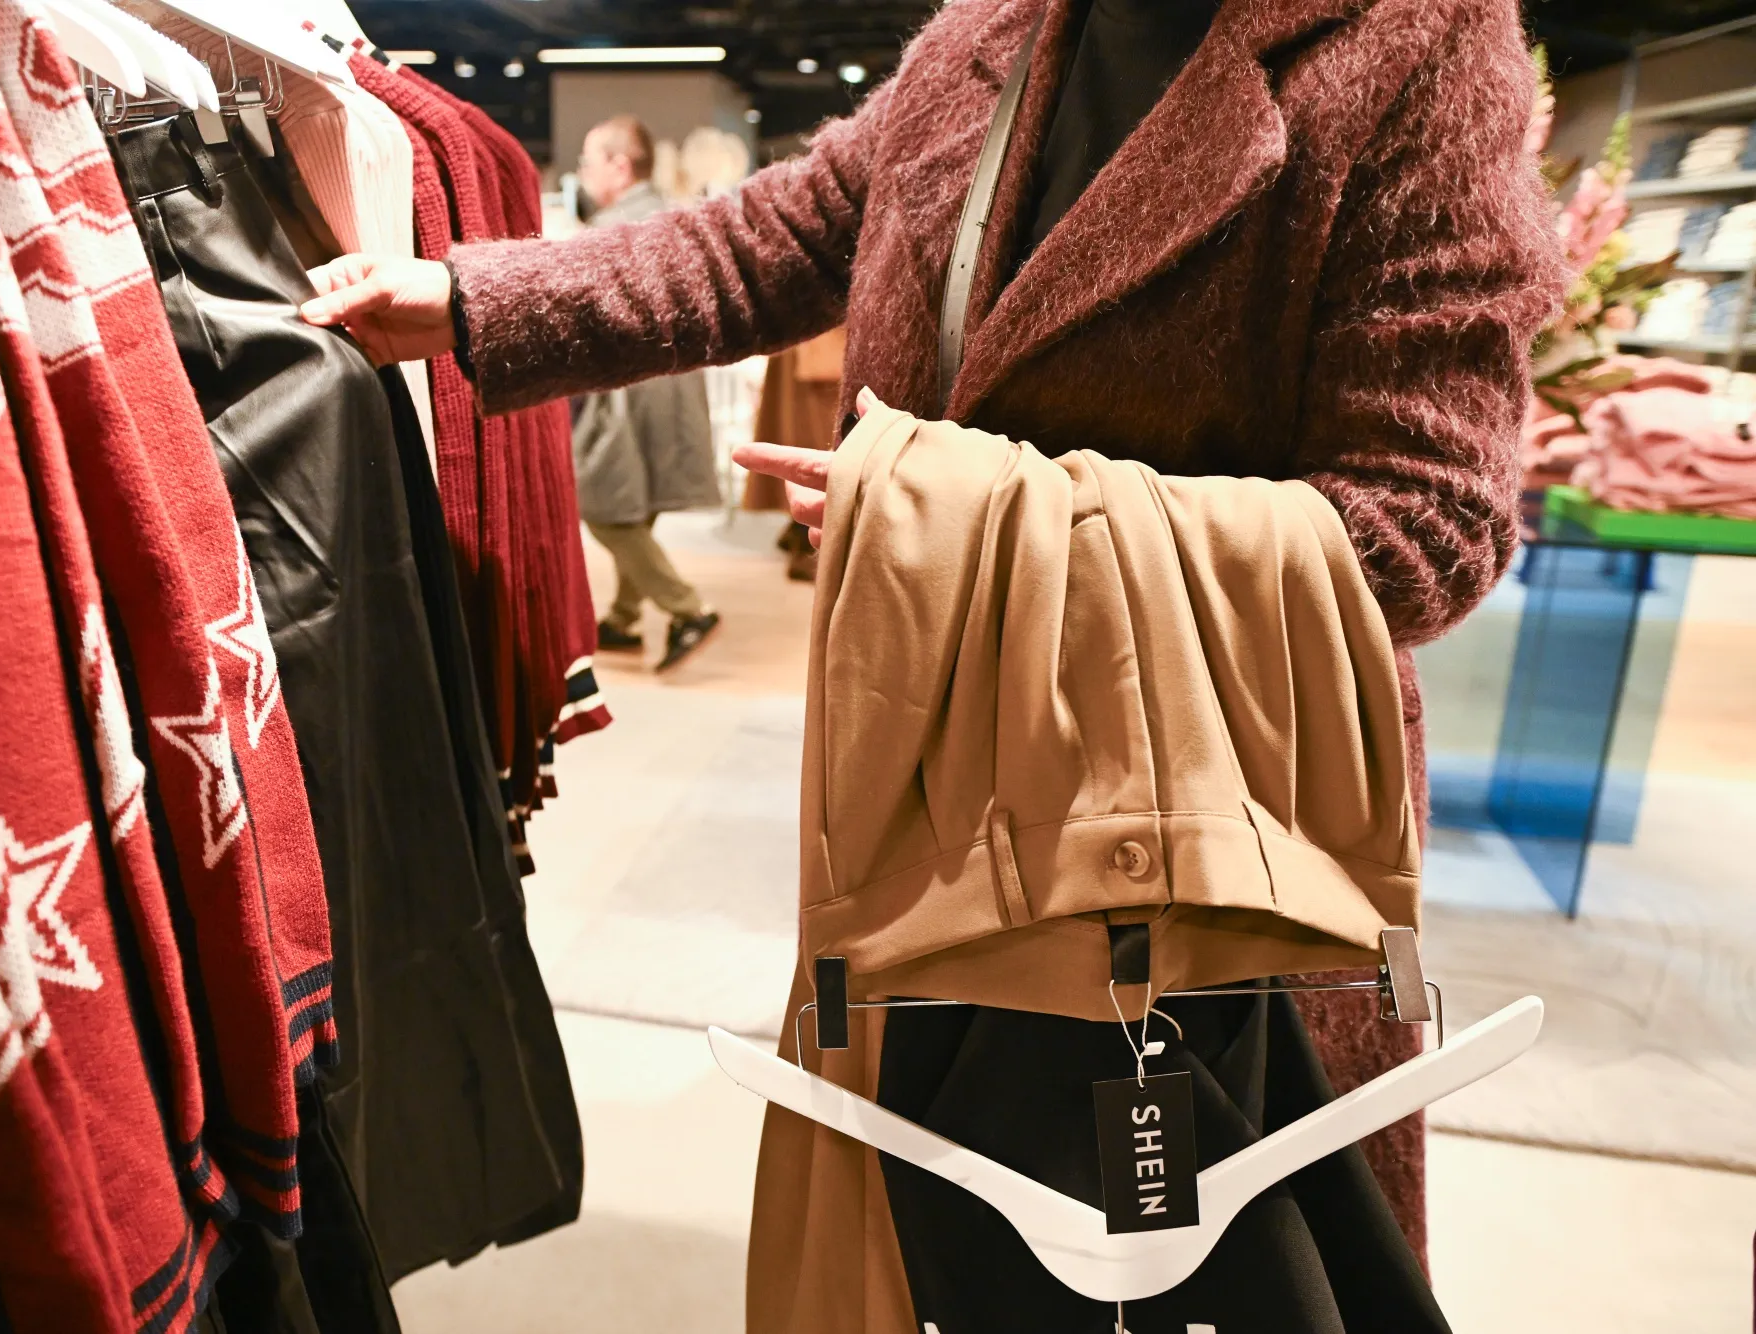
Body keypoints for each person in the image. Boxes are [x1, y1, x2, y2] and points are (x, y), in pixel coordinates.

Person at [300, 0, 1562, 1326]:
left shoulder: (1416, 42)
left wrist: (964, 533)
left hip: (1220, 822)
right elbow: (787, 229)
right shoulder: (1005, 23)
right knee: (957, 1239)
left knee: (1230, 1269)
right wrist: (471, 297)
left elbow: (1432, 525)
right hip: (944, 793)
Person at [568, 115, 723, 670]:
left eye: (588, 162)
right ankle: (624, 618)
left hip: (626, 388)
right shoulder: (676, 217)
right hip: (673, 384)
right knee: (637, 497)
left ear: (618, 165)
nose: (582, 174)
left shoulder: (612, 229)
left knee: (604, 503)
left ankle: (687, 609)